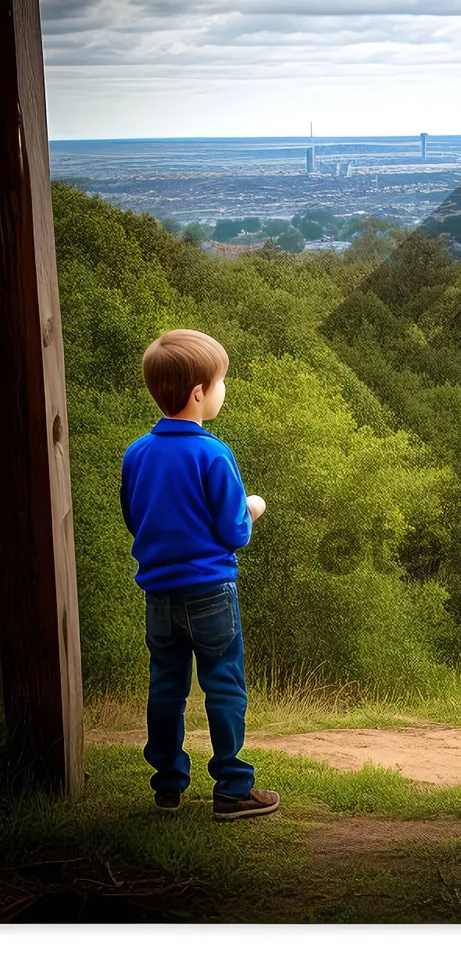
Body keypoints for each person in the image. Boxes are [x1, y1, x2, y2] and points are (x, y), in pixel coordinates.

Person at [121, 328, 280, 821]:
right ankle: (233, 787)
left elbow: (134, 516)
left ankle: (168, 785)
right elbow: (233, 531)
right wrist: (253, 506)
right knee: (224, 684)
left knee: (166, 686)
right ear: (198, 393)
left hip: (159, 593)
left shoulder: (137, 454)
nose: (223, 389)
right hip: (210, 591)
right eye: (221, 382)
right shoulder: (214, 454)